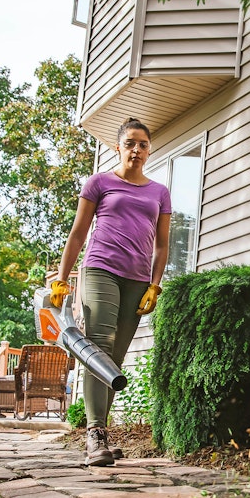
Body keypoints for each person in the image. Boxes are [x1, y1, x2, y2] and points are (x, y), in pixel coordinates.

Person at [50, 118, 171, 465]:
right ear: (117, 147)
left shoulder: (159, 192)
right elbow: (77, 233)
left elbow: (162, 246)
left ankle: (101, 432)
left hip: (137, 279)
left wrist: (155, 285)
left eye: (143, 144)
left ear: (149, 150)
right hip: (100, 268)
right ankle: (94, 435)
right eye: (130, 143)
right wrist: (62, 278)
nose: (137, 150)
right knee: (99, 348)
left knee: (114, 360)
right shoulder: (99, 182)